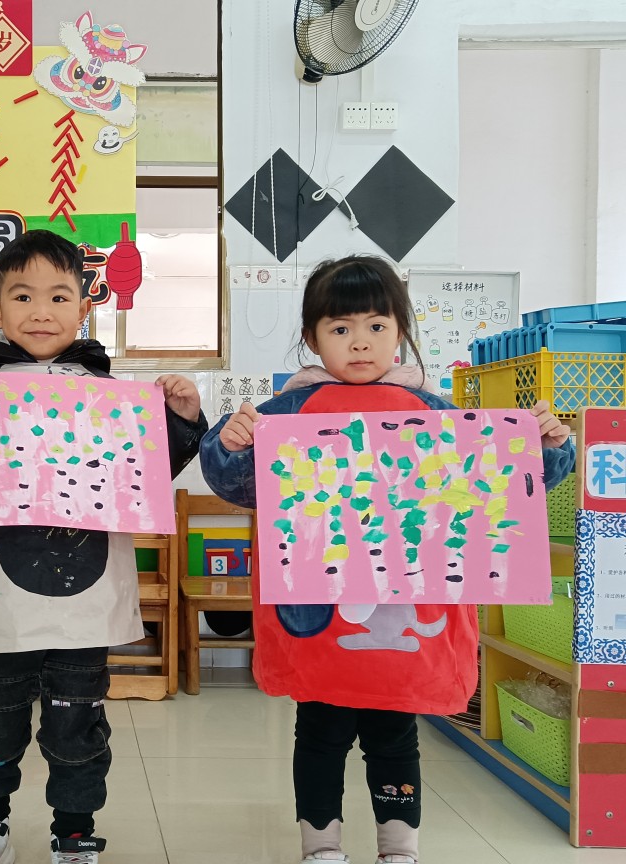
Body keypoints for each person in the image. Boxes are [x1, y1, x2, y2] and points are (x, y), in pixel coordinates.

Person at [199, 255, 575, 864]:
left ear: (400, 329)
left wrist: (548, 446)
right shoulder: (284, 413)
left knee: (395, 735)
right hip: (320, 620)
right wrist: (230, 443)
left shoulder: (436, 413)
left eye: (376, 326)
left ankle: (399, 848)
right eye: (340, 327)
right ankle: (321, 847)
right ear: (312, 337)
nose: (360, 342)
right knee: (320, 734)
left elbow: (512, 487)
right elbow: (235, 483)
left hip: (408, 618)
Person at [0, 229, 208, 864]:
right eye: (22, 296)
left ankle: (74, 832)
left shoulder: (113, 398)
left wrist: (182, 419)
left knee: (77, 721)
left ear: (85, 306)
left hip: (85, 598)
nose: (41, 311)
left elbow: (148, 475)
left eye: (59, 295)